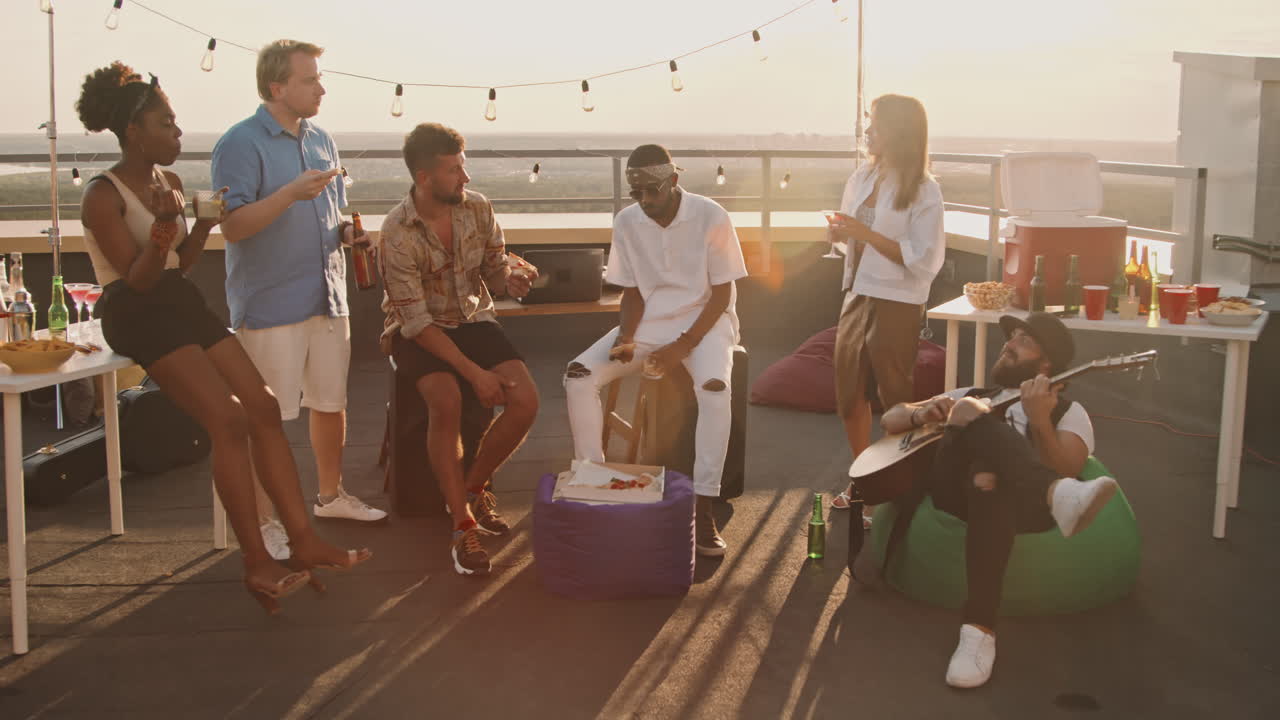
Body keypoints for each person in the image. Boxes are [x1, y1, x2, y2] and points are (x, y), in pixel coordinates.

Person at [76, 62, 369, 614]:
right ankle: (256, 560)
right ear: (134, 131)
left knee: (261, 405)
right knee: (227, 419)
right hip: (135, 311)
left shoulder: (171, 182)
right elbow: (135, 280)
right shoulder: (102, 193)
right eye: (166, 124)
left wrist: (203, 224)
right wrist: (164, 226)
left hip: (175, 299)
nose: (178, 133)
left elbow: (179, 267)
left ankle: (302, 539)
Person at [212, 39, 385, 562]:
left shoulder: (322, 139)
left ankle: (330, 497)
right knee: (269, 418)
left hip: (326, 296)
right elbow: (233, 225)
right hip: (270, 303)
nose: (321, 87)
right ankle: (265, 521)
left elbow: (327, 213)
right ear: (276, 87)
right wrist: (290, 193)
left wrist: (348, 236)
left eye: (319, 78)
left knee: (330, 403)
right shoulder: (239, 144)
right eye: (310, 79)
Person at [879, 312, 1118, 688]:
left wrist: (1039, 422)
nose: (1007, 344)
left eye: (1023, 341)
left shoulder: (1070, 413)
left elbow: (1069, 467)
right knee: (969, 412)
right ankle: (1057, 496)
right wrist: (921, 413)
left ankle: (977, 636)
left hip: (1014, 504)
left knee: (990, 484)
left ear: (1046, 363)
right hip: (950, 490)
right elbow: (890, 419)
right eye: (1011, 337)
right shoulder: (972, 394)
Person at [564, 144, 748, 557]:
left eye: (653, 191)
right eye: (637, 193)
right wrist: (626, 336)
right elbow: (632, 290)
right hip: (649, 322)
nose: (645, 201)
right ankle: (594, 484)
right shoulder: (628, 221)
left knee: (715, 391)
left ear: (674, 182)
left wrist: (679, 347)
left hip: (707, 322)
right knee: (577, 375)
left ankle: (704, 506)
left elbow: (722, 294)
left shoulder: (710, 215)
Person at [377, 123, 540, 577]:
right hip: (419, 329)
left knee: (526, 401)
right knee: (446, 401)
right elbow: (417, 324)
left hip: (472, 318)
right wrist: (476, 375)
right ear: (424, 177)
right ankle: (461, 523)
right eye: (454, 170)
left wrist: (510, 277)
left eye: (463, 167)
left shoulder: (478, 208)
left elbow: (492, 268)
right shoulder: (395, 232)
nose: (465, 178)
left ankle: (471, 486)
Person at [828, 94, 946, 515]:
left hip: (897, 297)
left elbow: (924, 259)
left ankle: (894, 483)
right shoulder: (861, 176)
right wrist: (841, 236)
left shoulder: (924, 190)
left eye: (874, 123)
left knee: (894, 394)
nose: (867, 131)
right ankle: (863, 477)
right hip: (857, 290)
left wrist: (865, 231)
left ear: (897, 130)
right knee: (848, 393)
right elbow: (852, 234)